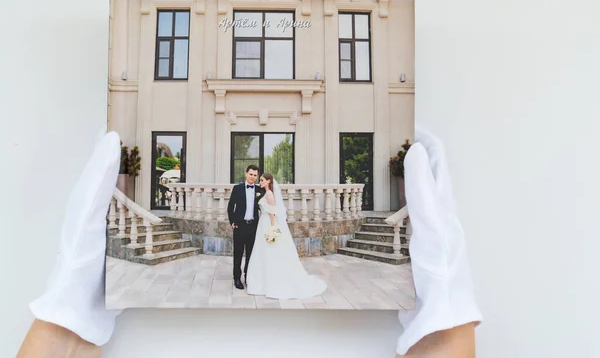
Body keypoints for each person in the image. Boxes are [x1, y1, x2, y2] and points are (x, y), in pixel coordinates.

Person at [18, 126, 482, 357]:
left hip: (267, 231)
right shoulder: (244, 191)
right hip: (249, 230)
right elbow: (236, 209)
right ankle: (243, 281)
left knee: (268, 262)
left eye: (259, 175)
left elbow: (273, 210)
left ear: (264, 178)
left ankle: (255, 279)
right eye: (253, 173)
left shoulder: (268, 194)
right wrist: (61, 332)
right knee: (245, 264)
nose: (255, 177)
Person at [246, 173, 328, 299]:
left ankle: (269, 282)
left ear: (268, 181)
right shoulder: (265, 193)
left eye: (262, 180)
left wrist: (272, 228)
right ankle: (263, 280)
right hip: (263, 222)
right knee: (263, 251)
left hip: (268, 223)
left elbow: (272, 212)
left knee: (270, 251)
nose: (260, 182)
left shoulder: (269, 194)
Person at [227, 164, 265, 290]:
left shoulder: (260, 190)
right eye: (251, 174)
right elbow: (230, 207)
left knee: (251, 254)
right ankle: (236, 278)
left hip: (253, 226)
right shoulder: (237, 188)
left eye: (255, 175)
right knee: (237, 253)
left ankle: (248, 276)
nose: (253, 177)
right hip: (239, 226)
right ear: (246, 174)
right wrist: (232, 221)